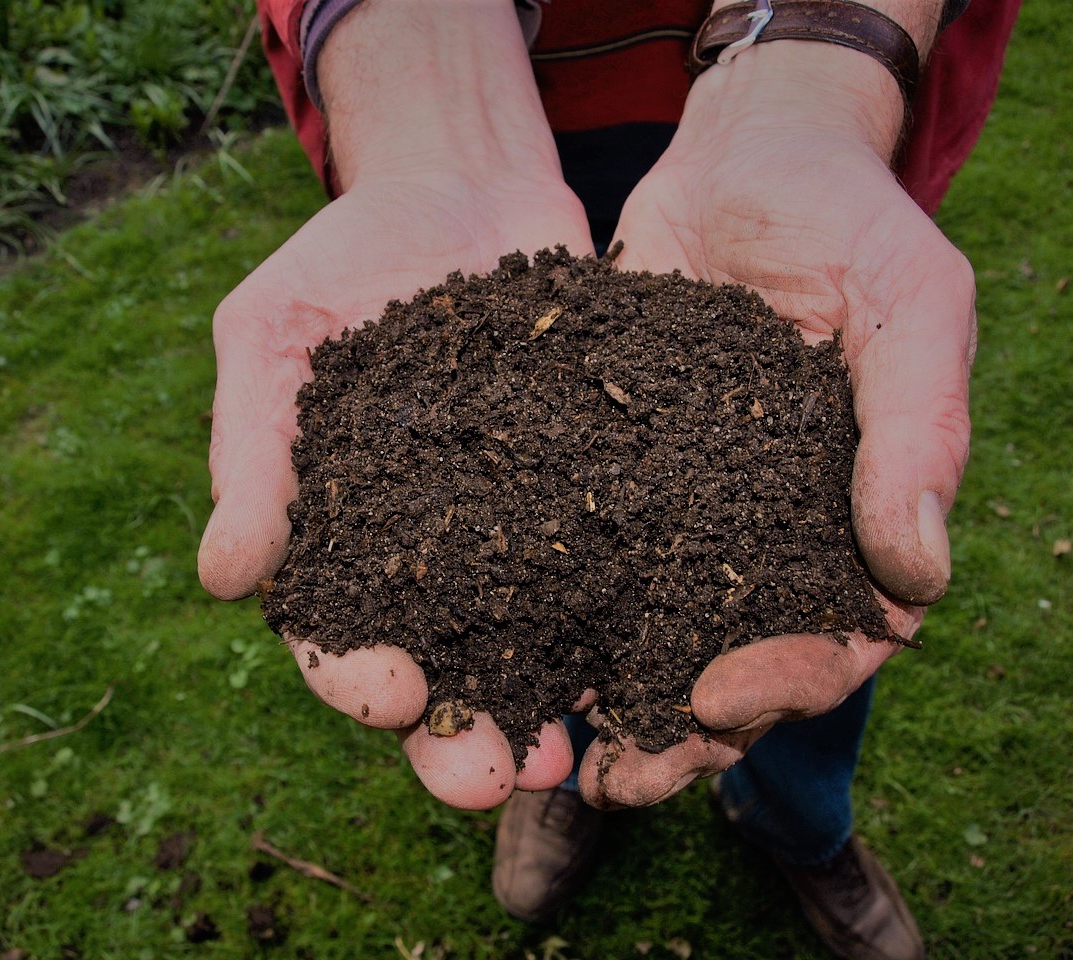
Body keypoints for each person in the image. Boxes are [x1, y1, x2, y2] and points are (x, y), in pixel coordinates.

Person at [198, 2, 1021, 957]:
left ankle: (798, 824)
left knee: (807, 607)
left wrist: (814, 71)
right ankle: (561, 777)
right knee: (564, 641)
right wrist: (429, 98)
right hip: (500, 91)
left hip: (816, 94)